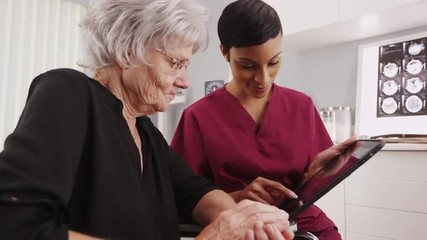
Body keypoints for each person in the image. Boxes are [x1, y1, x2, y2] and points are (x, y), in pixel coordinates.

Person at [0, 0, 295, 239]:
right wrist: (218, 233)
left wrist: (247, 221)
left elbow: (195, 191)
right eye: (175, 63)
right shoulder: (68, 92)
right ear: (129, 50)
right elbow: (16, 223)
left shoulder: (146, 132)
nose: (184, 81)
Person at [171, 0, 357, 239]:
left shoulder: (302, 105)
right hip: (240, 224)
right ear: (225, 52)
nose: (263, 78)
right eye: (248, 66)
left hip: (300, 220)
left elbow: (307, 188)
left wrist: (317, 173)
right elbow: (183, 196)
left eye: (274, 62)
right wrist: (237, 197)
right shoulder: (197, 116)